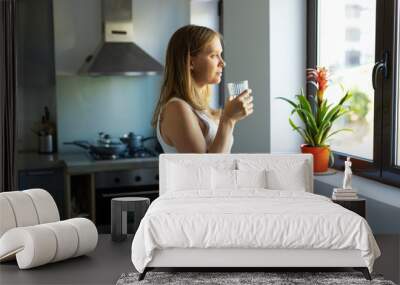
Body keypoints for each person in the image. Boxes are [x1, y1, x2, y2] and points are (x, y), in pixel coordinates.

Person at [151, 25, 254, 153]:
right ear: (191, 63)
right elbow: (203, 169)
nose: (223, 63)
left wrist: (227, 118)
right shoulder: (176, 108)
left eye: (220, 54)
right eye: (213, 55)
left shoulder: (200, 108)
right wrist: (228, 119)